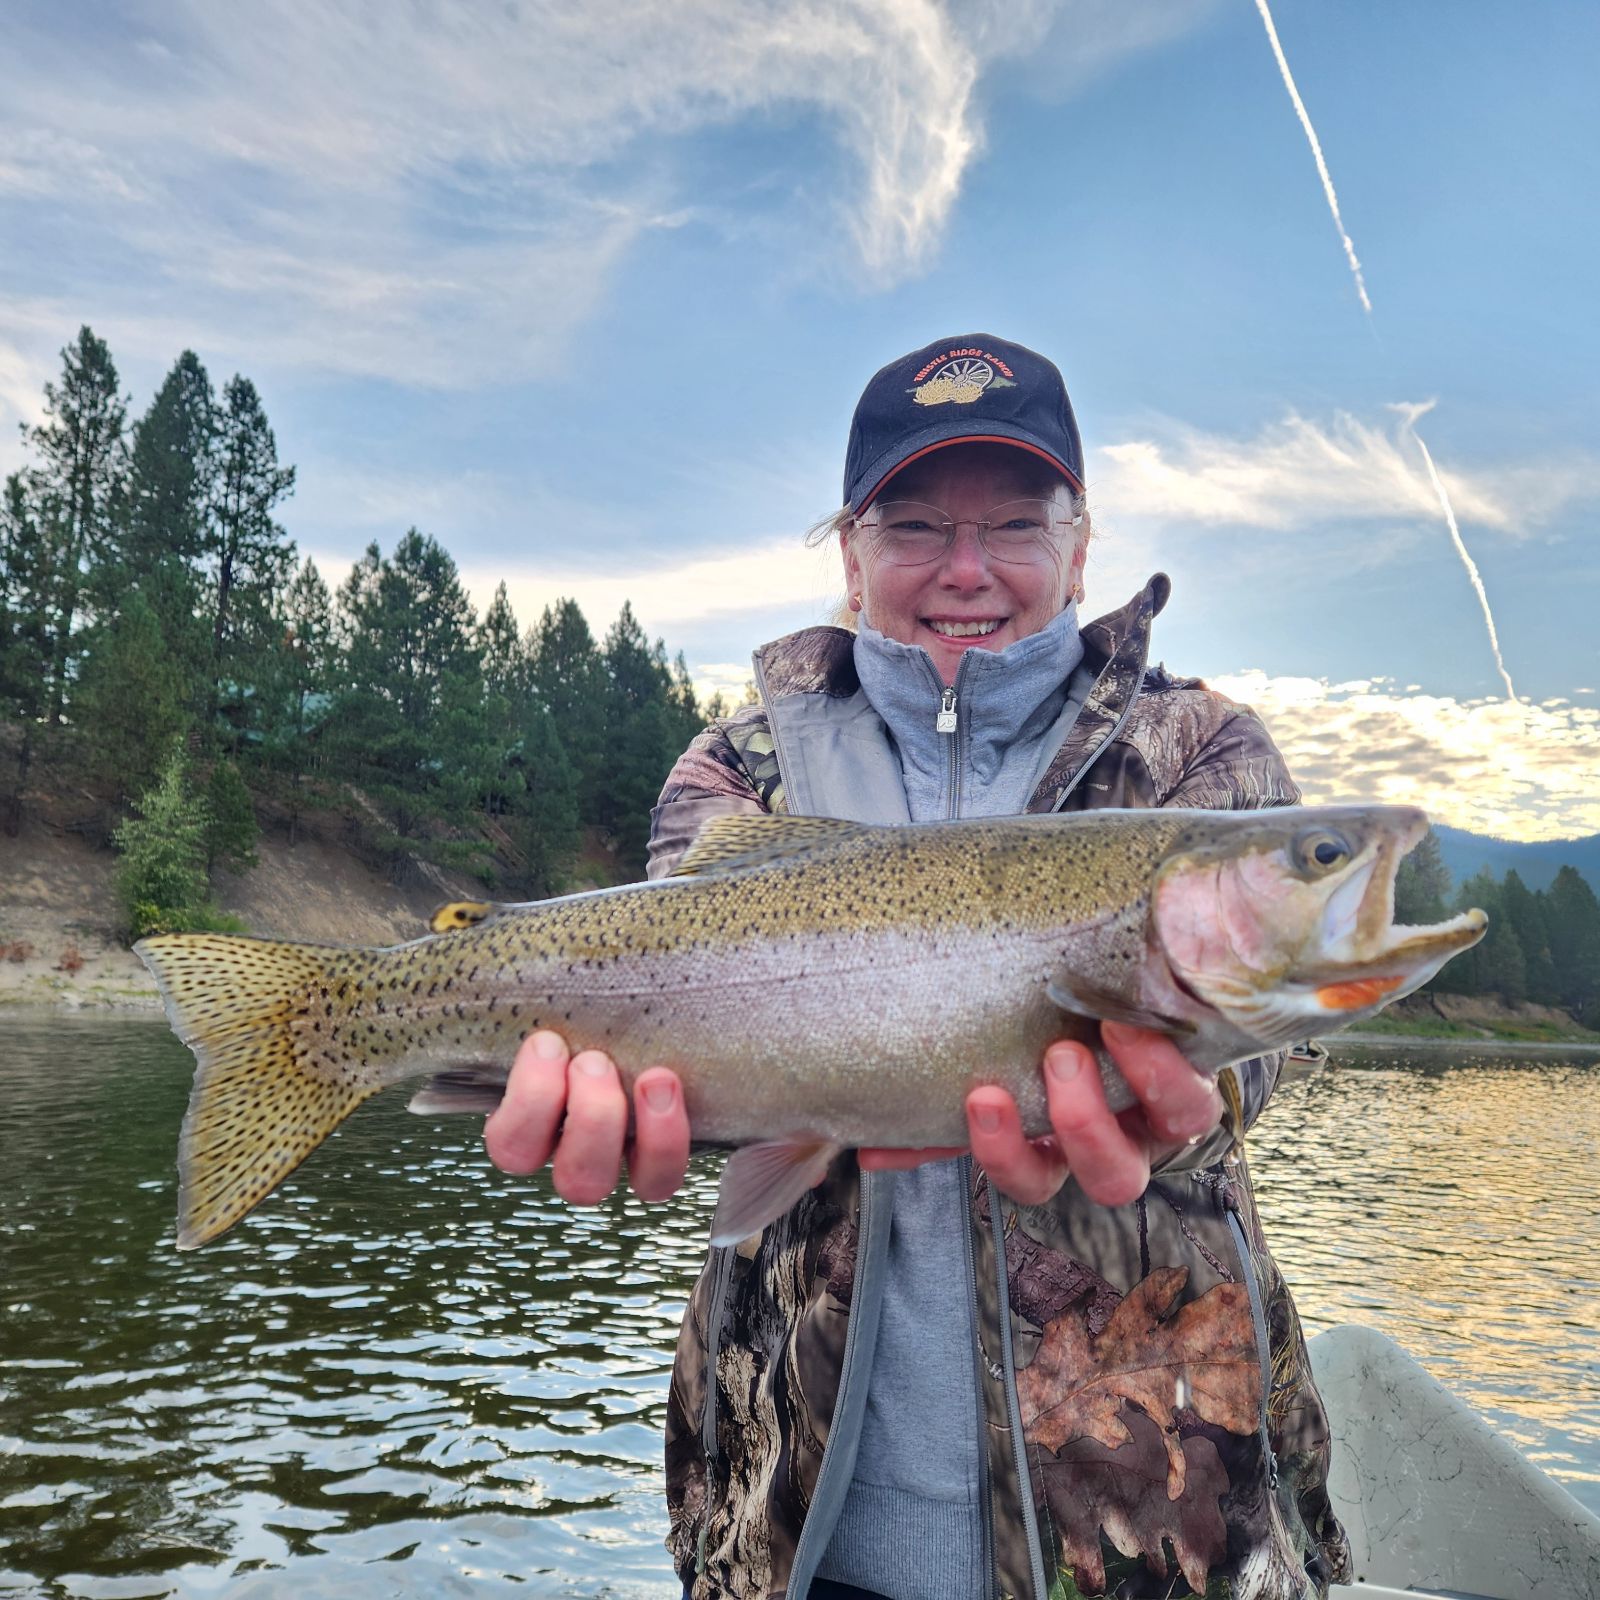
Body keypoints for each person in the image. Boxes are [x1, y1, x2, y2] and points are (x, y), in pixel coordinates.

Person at [484, 336, 1351, 1600]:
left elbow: (1267, 1046)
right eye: (913, 527)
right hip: (794, 1513)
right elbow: (673, 1028)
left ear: (1078, 540)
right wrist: (625, 1114)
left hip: (1158, 1529)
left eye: (1012, 521)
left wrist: (1196, 1107)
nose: (964, 568)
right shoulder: (738, 767)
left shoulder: (1195, 755)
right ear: (849, 548)